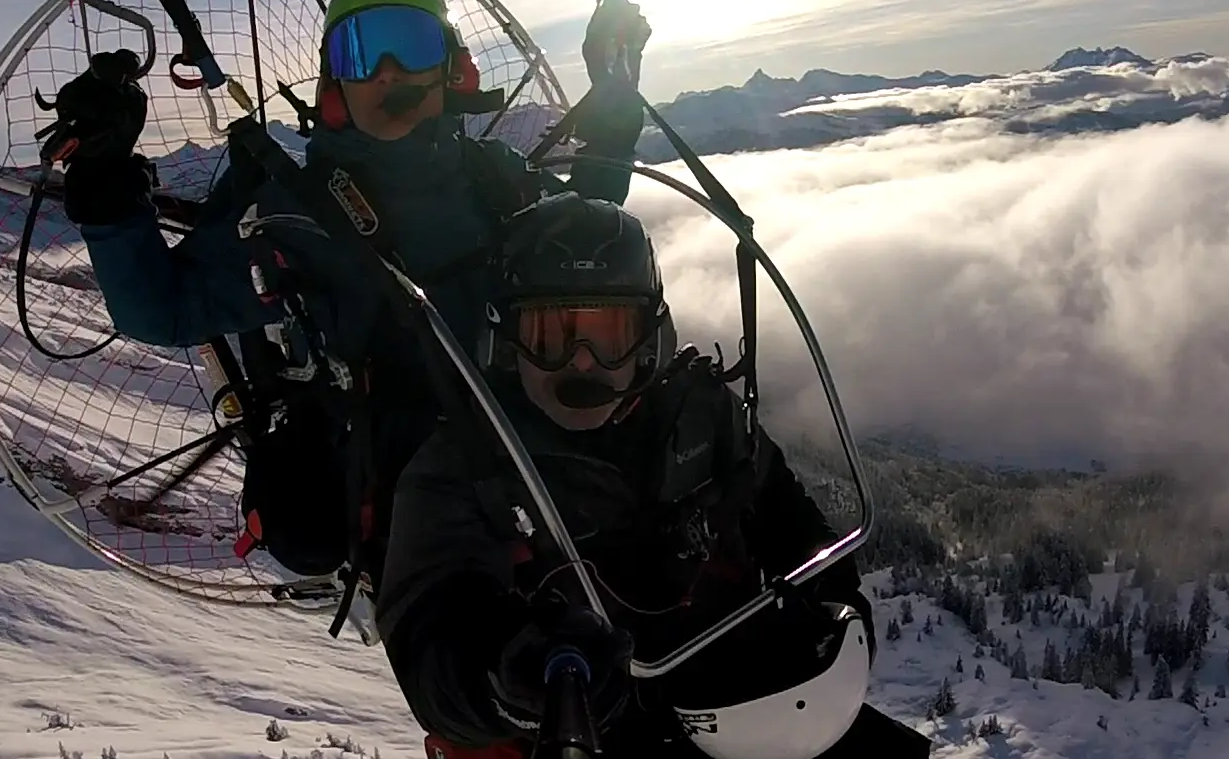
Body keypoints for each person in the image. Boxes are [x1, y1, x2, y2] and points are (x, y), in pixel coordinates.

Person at [42, 0, 648, 588]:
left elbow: (579, 238)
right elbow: (160, 309)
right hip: (392, 512)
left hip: (528, 482)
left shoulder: (497, 183)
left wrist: (617, 95)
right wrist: (105, 182)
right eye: (360, 52)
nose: (388, 71)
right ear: (334, 85)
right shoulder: (289, 212)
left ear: (449, 68)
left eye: (410, 44)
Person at [375, 193, 934, 759]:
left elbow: (779, 503)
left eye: (610, 333)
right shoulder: (466, 466)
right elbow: (428, 635)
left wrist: (834, 590)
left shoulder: (700, 410)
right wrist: (507, 679)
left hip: (743, 698)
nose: (584, 362)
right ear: (505, 341)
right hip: (589, 724)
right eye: (552, 336)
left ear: (650, 336)